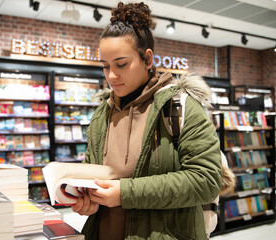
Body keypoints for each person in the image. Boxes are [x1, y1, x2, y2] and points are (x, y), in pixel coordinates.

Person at [71, 2, 223, 239]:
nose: (111, 75)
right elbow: (93, 168)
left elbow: (206, 180)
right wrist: (85, 196)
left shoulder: (181, 107)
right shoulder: (102, 113)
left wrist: (126, 193)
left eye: (121, 64)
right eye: (105, 66)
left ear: (148, 59)